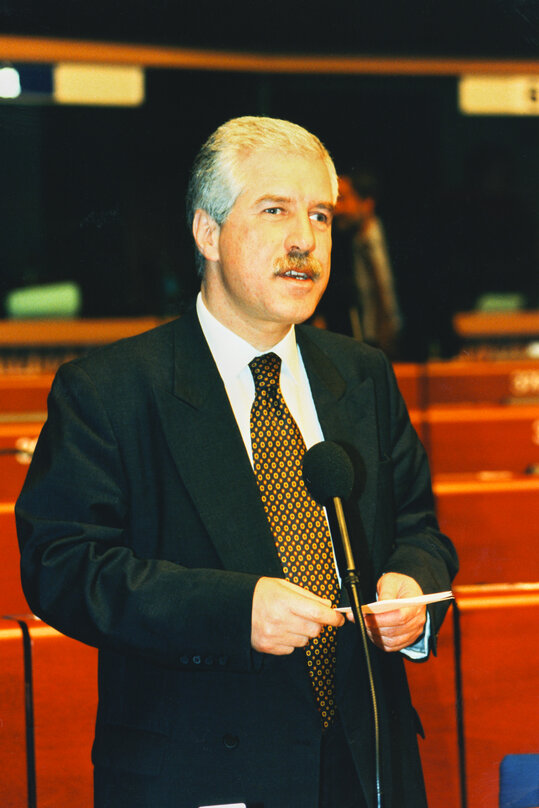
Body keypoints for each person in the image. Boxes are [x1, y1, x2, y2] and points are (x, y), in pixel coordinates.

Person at [16, 116, 458, 808]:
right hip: (200, 772)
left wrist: (411, 587)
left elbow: (418, 528)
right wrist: (232, 610)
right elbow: (64, 566)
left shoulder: (363, 375)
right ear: (206, 233)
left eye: (319, 214)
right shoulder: (111, 389)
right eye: (274, 209)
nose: (304, 240)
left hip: (366, 767)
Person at [319, 170, 402, 357]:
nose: (336, 209)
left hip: (406, 346)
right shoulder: (335, 249)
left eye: (342, 199)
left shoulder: (401, 241)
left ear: (367, 203)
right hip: (364, 352)